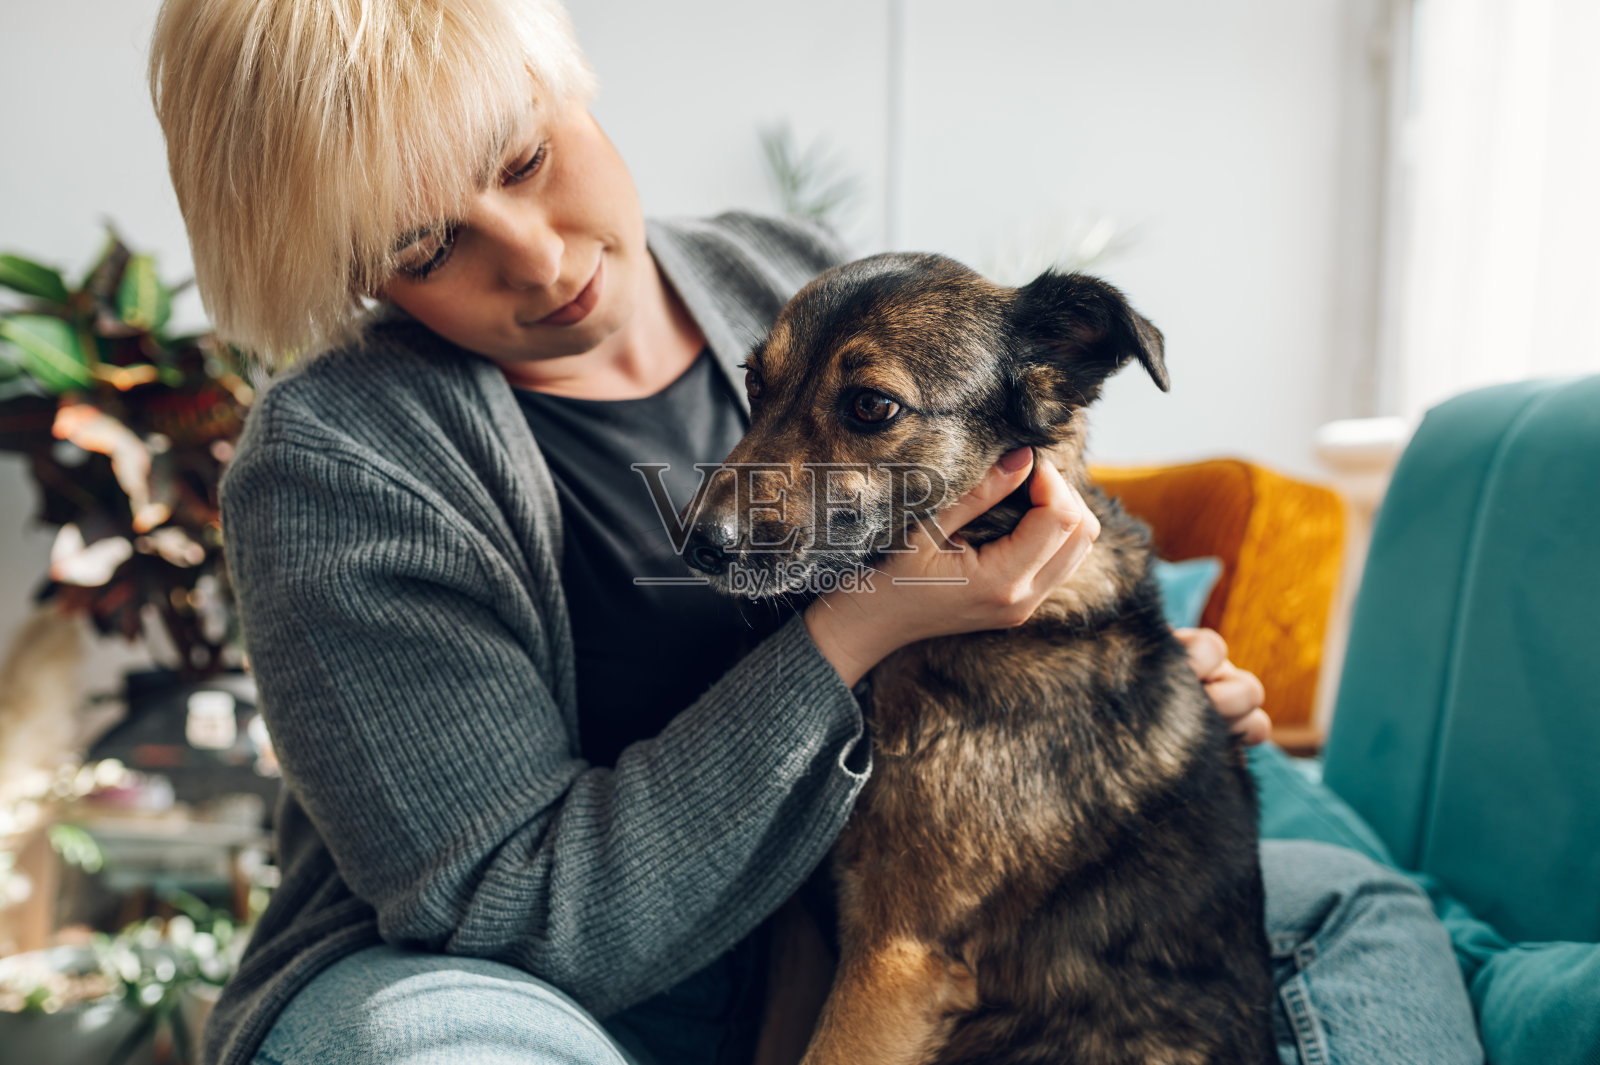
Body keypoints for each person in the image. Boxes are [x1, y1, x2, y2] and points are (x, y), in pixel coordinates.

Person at [147, 2, 1484, 1064]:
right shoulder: (338, 461)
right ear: (356, 273)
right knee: (421, 1047)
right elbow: (513, 914)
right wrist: (863, 625)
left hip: (844, 931)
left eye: (523, 161)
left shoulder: (775, 269)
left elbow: (1007, 508)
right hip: (533, 989)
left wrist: (1140, 702)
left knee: (1352, 901)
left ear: (570, 81)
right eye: (425, 244)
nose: (539, 259)